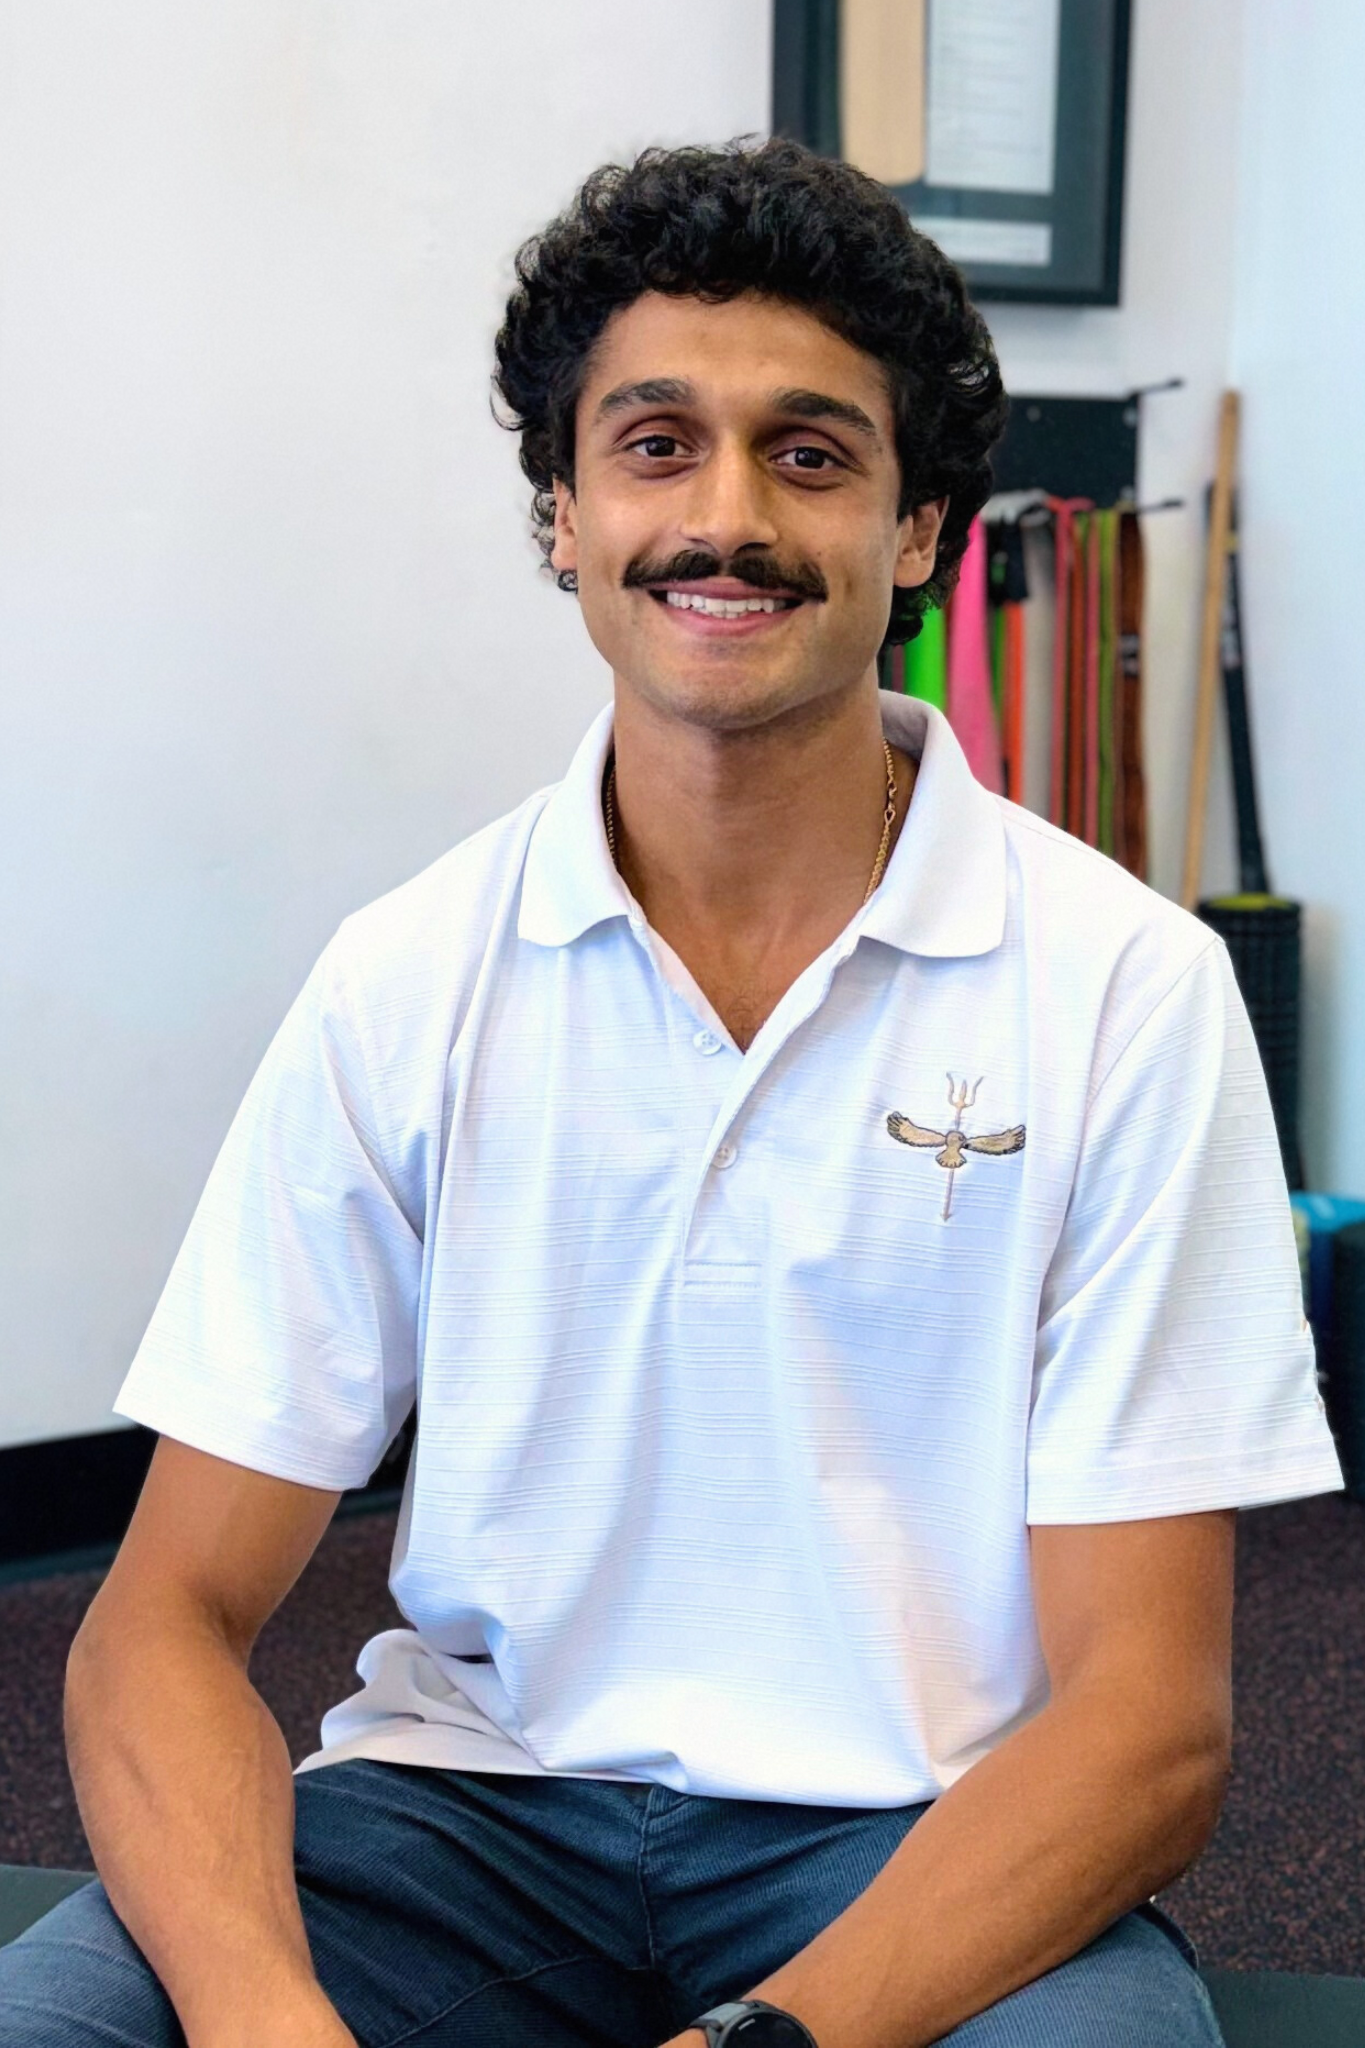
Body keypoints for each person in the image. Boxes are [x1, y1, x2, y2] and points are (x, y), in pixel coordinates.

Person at [0, 137, 1343, 2048]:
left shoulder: (1131, 990)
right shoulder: (409, 977)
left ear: (918, 534)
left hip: (924, 1834)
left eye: (810, 453)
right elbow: (159, 1624)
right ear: (563, 516)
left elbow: (1151, 1727)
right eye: (652, 446)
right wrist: (255, 2018)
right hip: (461, 1824)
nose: (726, 516)